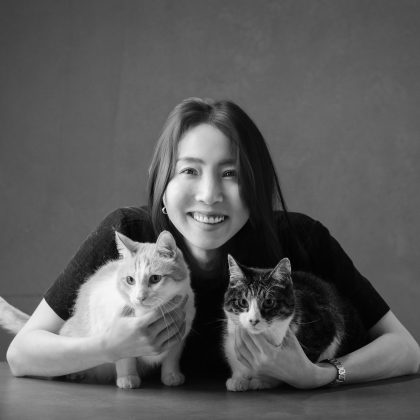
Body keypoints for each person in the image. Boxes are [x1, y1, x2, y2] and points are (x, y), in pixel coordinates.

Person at [6, 97, 420, 388]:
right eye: (189, 171)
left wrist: (320, 375)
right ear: (163, 182)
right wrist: (107, 347)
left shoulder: (300, 239)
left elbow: (405, 350)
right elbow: (22, 355)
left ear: (255, 185)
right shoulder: (130, 237)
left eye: (230, 174)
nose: (208, 195)